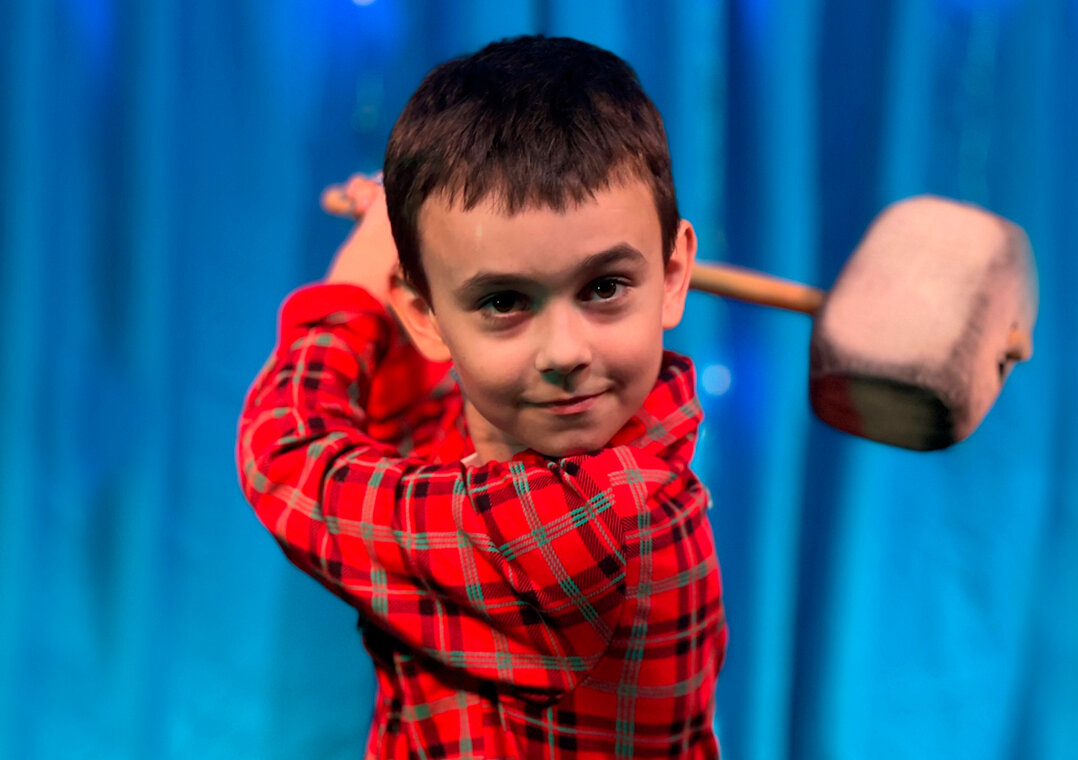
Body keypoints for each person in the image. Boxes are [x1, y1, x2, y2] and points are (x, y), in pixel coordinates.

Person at [237, 35, 726, 759]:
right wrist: (421, 231)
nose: (564, 352)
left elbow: (287, 459)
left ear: (673, 274)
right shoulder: (507, 437)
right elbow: (412, 425)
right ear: (424, 314)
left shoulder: (612, 526)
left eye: (604, 287)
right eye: (504, 300)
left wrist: (352, 291)